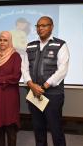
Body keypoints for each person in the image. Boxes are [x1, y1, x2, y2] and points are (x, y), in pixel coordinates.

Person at [21, 16, 70, 146]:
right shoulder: (30, 46)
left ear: (51, 27)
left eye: (44, 25)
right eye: (38, 26)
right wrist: (31, 85)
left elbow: (62, 70)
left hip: (53, 95)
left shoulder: (60, 44)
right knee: (38, 129)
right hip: (34, 94)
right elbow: (24, 68)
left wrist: (43, 86)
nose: (40, 28)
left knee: (56, 129)